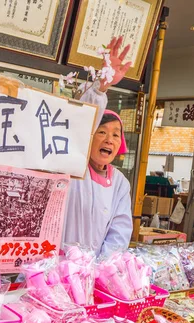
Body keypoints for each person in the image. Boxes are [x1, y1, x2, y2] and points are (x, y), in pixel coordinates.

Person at [63, 37, 133, 256]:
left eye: (115, 135)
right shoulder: (72, 169)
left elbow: (119, 233)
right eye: (101, 132)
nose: (109, 140)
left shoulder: (120, 183)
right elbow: (82, 122)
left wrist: (99, 269)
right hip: (55, 269)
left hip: (93, 274)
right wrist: (101, 87)